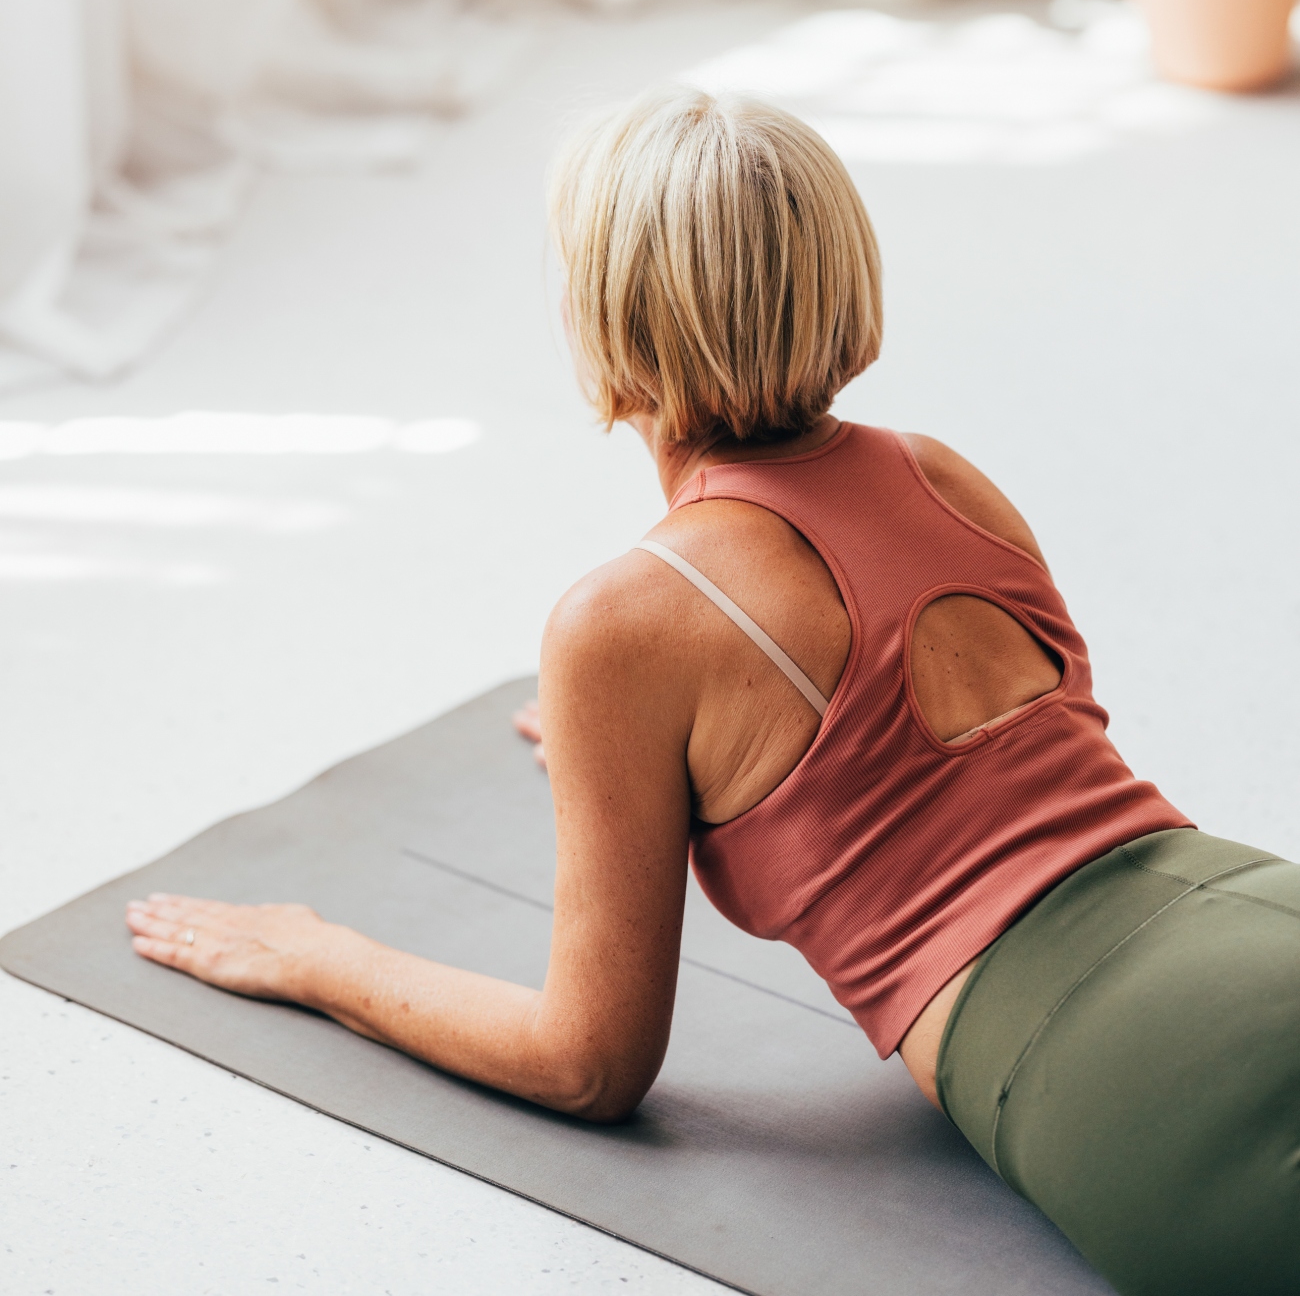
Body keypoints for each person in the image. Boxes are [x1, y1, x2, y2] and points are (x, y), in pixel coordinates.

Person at [126, 89, 1300, 1296]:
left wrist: (320, 959)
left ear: (609, 320)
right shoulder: (946, 474)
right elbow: (965, 765)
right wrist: (636, 762)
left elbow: (588, 1061)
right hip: (1244, 909)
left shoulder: (621, 624)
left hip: (1124, 1070)